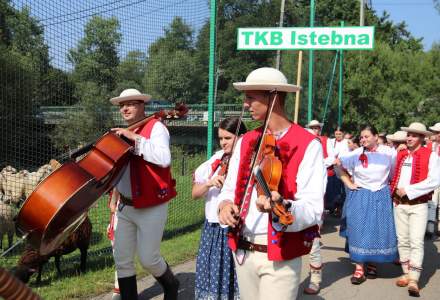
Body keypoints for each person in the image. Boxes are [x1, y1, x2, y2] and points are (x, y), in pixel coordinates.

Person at [217, 67, 326, 299]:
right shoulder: (247, 140)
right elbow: (229, 188)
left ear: (273, 97)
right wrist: (225, 204)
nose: (246, 104)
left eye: (251, 97)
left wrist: (283, 206)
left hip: (280, 254)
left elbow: (313, 209)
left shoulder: (308, 144)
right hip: (243, 249)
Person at [109, 89, 179, 300]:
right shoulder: (119, 132)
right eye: (122, 105)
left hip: (151, 205)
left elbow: (163, 158)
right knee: (122, 260)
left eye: (130, 104)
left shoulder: (156, 127)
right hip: (125, 206)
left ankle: (172, 284)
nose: (125, 108)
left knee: (148, 259)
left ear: (142, 106)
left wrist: (135, 138)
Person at [192, 117, 246, 300]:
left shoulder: (247, 160)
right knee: (211, 270)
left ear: (241, 137)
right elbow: (195, 193)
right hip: (213, 227)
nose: (223, 143)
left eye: (228, 138)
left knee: (235, 274)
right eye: (221, 138)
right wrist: (209, 184)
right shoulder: (216, 159)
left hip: (236, 226)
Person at [337, 124, 398, 285]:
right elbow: (339, 167)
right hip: (361, 194)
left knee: (376, 229)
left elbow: (393, 172)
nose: (363, 139)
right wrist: (349, 184)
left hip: (380, 194)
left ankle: (372, 263)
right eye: (361, 137)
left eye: (367, 136)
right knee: (359, 229)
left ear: (376, 137)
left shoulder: (389, 153)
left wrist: (386, 187)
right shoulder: (355, 154)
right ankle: (359, 268)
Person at [391, 122, 440, 297]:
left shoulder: (431, 155)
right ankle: (406, 272)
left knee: (416, 241)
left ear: (421, 138)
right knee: (402, 239)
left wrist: (409, 190)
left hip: (418, 204)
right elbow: (391, 173)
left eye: (413, 135)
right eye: (409, 135)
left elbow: (435, 180)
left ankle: (414, 278)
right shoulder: (401, 154)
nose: (409, 138)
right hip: (399, 204)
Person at [303, 119, 334, 294]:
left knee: (313, 244)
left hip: (311, 210)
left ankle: (315, 279)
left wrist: (315, 211)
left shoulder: (320, 165)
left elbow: (319, 190)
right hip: (290, 209)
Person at [427, 123, 440, 237]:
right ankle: (430, 229)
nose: (434, 134)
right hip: (434, 179)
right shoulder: (431, 145)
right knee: (432, 203)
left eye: (436, 132)